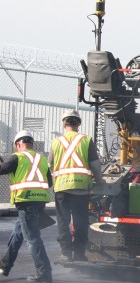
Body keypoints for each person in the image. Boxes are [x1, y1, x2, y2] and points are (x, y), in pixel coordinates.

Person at [49, 109, 105, 262]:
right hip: (80, 189)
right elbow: (95, 164)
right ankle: (79, 254)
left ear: (64, 123)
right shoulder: (86, 140)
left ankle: (66, 253)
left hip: (61, 188)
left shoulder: (56, 142)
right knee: (80, 222)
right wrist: (99, 181)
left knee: (63, 221)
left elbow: (51, 165)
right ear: (78, 123)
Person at [0, 130, 54, 282]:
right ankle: (5, 265)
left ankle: (44, 272)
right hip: (40, 202)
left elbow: (2, 170)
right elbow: (49, 182)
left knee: (32, 238)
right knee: (18, 234)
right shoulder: (41, 159)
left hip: (25, 201)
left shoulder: (17, 157)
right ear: (31, 143)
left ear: (18, 144)